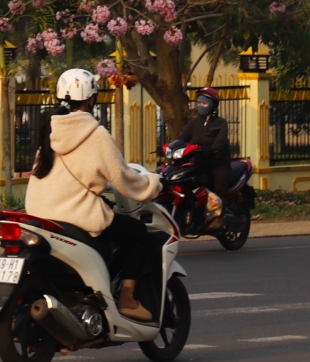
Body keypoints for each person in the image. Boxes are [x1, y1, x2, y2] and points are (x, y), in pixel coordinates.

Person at [25, 68, 163, 322]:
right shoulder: (96, 134)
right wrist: (155, 184)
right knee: (137, 234)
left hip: (38, 214)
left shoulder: (49, 130)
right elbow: (125, 181)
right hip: (76, 216)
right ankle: (127, 299)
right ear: (90, 99)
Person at [169, 86, 232, 215]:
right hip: (198, 162)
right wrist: (171, 147)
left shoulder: (220, 123)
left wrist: (212, 149)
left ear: (212, 105)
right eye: (199, 102)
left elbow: (220, 141)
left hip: (217, 162)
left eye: (204, 103)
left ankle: (218, 217)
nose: (200, 105)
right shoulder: (193, 123)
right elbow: (182, 138)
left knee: (219, 185)